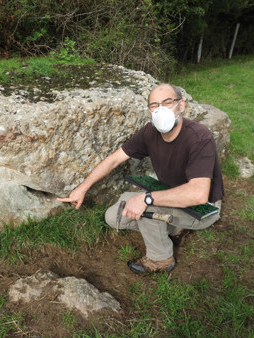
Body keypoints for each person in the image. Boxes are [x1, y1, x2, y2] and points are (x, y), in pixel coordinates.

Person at [57, 83, 224, 273]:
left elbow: (198, 195)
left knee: (145, 207)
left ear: (181, 105)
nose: (160, 109)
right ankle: (176, 228)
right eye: (154, 105)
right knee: (114, 217)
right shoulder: (149, 132)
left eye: (167, 102)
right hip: (168, 194)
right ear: (149, 110)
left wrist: (146, 198)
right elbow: (114, 160)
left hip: (203, 209)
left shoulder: (199, 137)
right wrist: (82, 188)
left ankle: (161, 258)